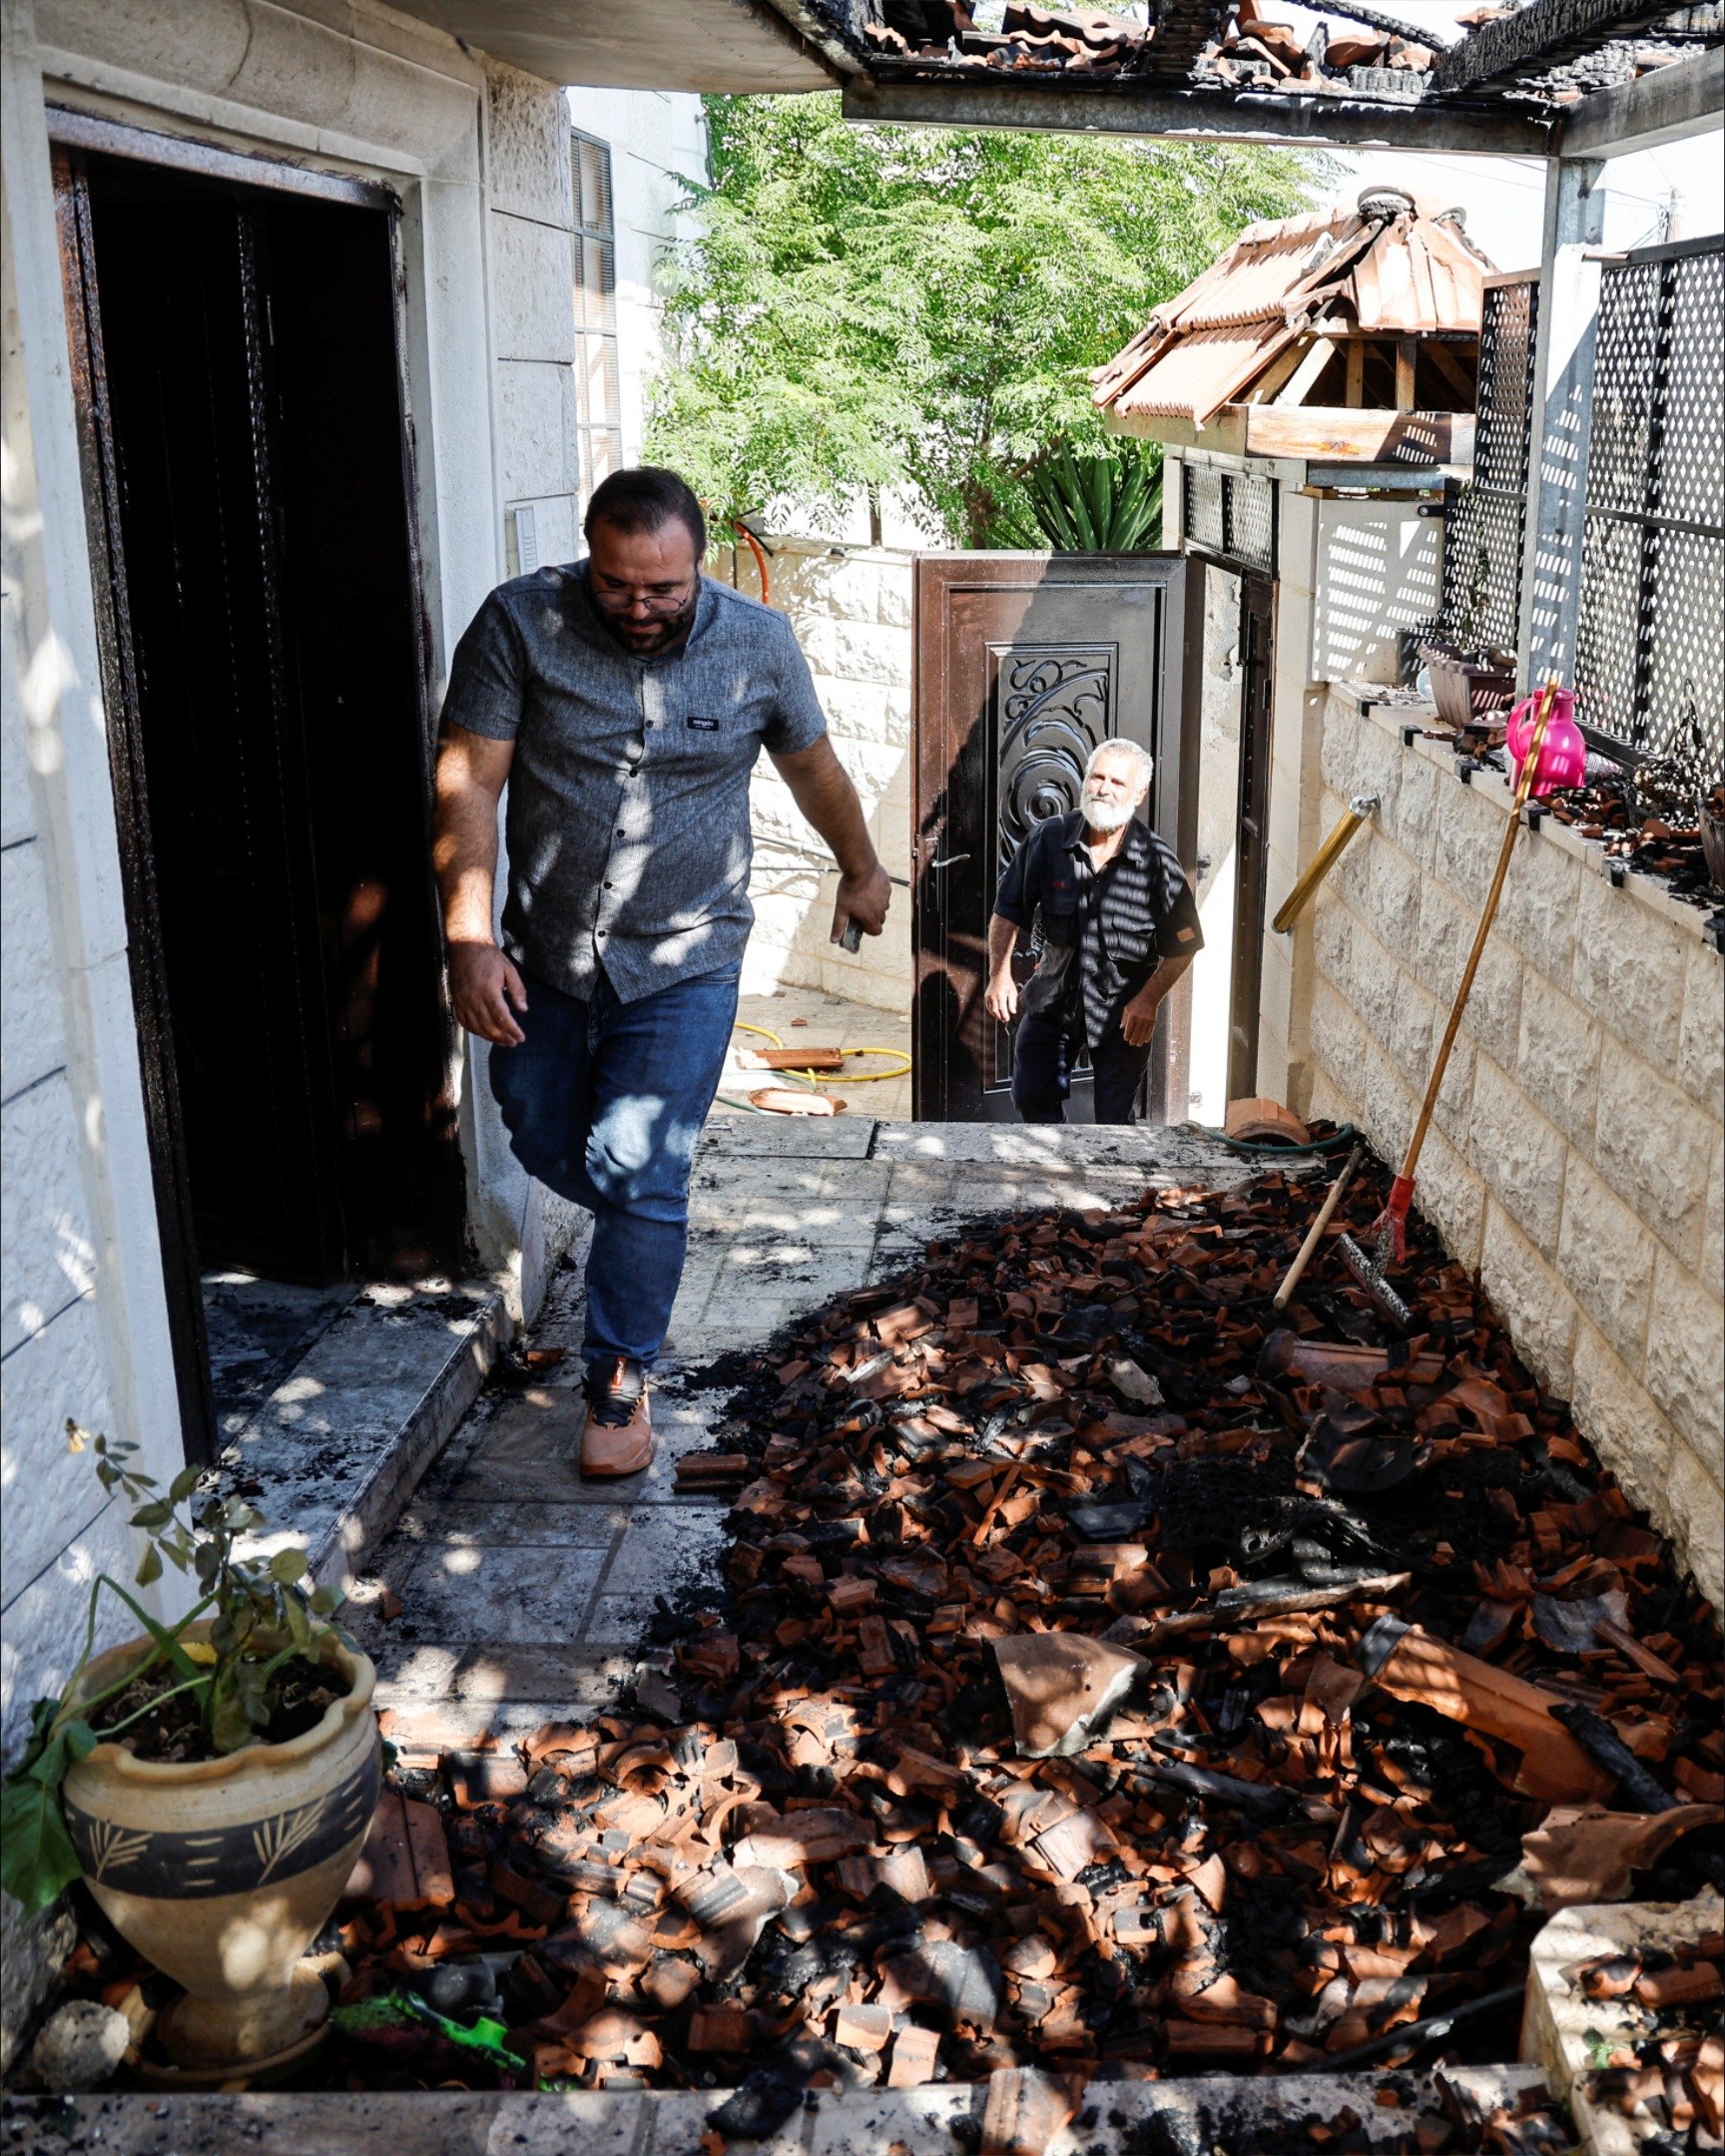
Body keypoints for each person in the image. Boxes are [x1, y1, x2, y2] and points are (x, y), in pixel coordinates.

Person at [432, 467, 889, 1476]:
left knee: (641, 1169)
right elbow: (468, 780)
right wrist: (468, 940)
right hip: (547, 957)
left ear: (701, 566)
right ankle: (647, 1217)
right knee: (543, 1132)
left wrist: (861, 869)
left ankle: (617, 1381)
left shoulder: (758, 645)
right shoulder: (518, 625)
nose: (640, 606)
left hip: (688, 957)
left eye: (664, 589)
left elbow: (813, 767)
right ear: (588, 559)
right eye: (617, 584)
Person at [983, 740, 1200, 1125]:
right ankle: (1055, 1159)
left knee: (1114, 1121)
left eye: (1117, 782)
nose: (1103, 788)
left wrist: (1148, 1000)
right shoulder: (1049, 839)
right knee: (1031, 1096)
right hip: (1053, 998)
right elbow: (1007, 911)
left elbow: (1183, 946)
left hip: (1122, 1015)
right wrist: (999, 975)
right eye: (1097, 777)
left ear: (1139, 794)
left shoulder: (1158, 865)